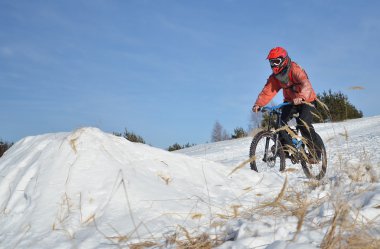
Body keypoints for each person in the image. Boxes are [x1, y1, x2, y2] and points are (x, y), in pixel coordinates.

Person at [252, 47, 322, 163]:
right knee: (279, 123)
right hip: (290, 102)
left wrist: (302, 97)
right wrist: (258, 104)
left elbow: (306, 84)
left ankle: (315, 153)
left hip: (307, 100)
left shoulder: (295, 69)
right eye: (271, 62)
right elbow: (268, 91)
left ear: (283, 60)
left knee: (303, 123)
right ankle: (286, 147)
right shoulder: (275, 77)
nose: (273, 65)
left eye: (276, 62)